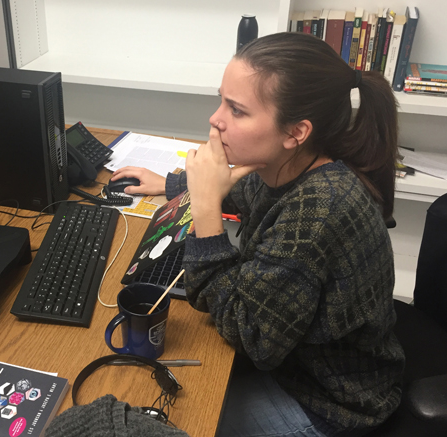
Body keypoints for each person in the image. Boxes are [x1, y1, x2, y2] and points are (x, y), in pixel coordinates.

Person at [110, 32, 404, 437]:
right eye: (221, 100)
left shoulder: (320, 209)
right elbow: (243, 190)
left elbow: (251, 335)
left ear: (295, 132)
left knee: (181, 419)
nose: (216, 119)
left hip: (327, 401)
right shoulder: (290, 166)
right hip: (295, 362)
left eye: (237, 110)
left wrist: (207, 210)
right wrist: (176, 184)